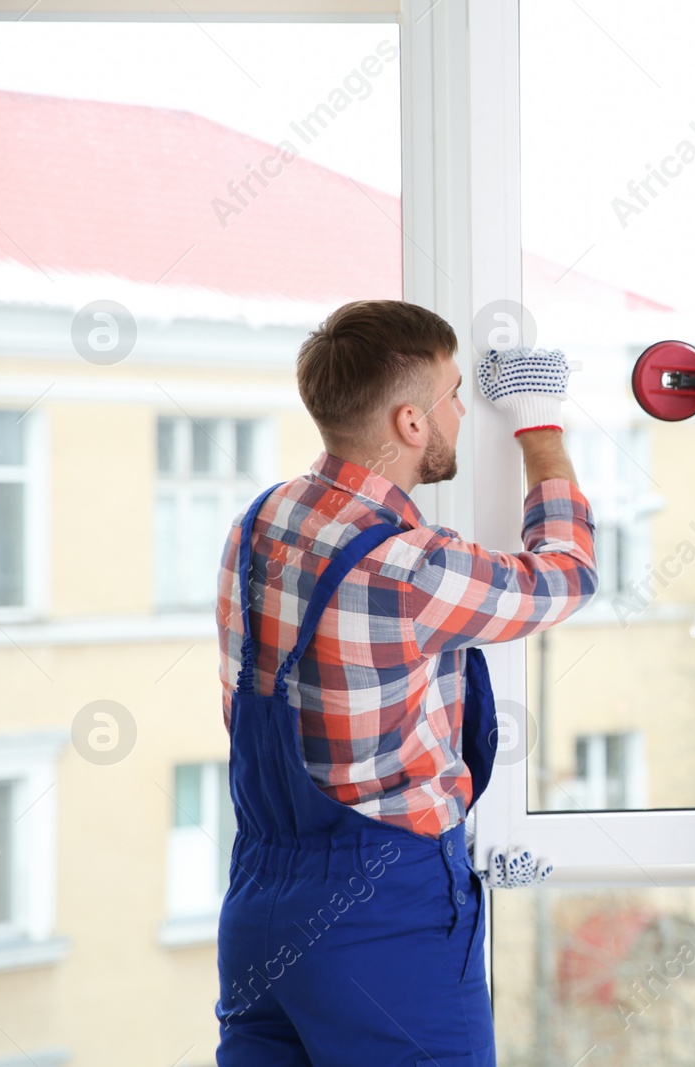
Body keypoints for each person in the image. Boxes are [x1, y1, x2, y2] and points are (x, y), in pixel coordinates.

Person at [211, 299, 596, 1066]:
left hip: (257, 903)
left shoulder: (258, 523)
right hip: (379, 917)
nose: (461, 408)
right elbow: (569, 575)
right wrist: (540, 426)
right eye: (455, 394)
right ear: (412, 423)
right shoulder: (409, 567)